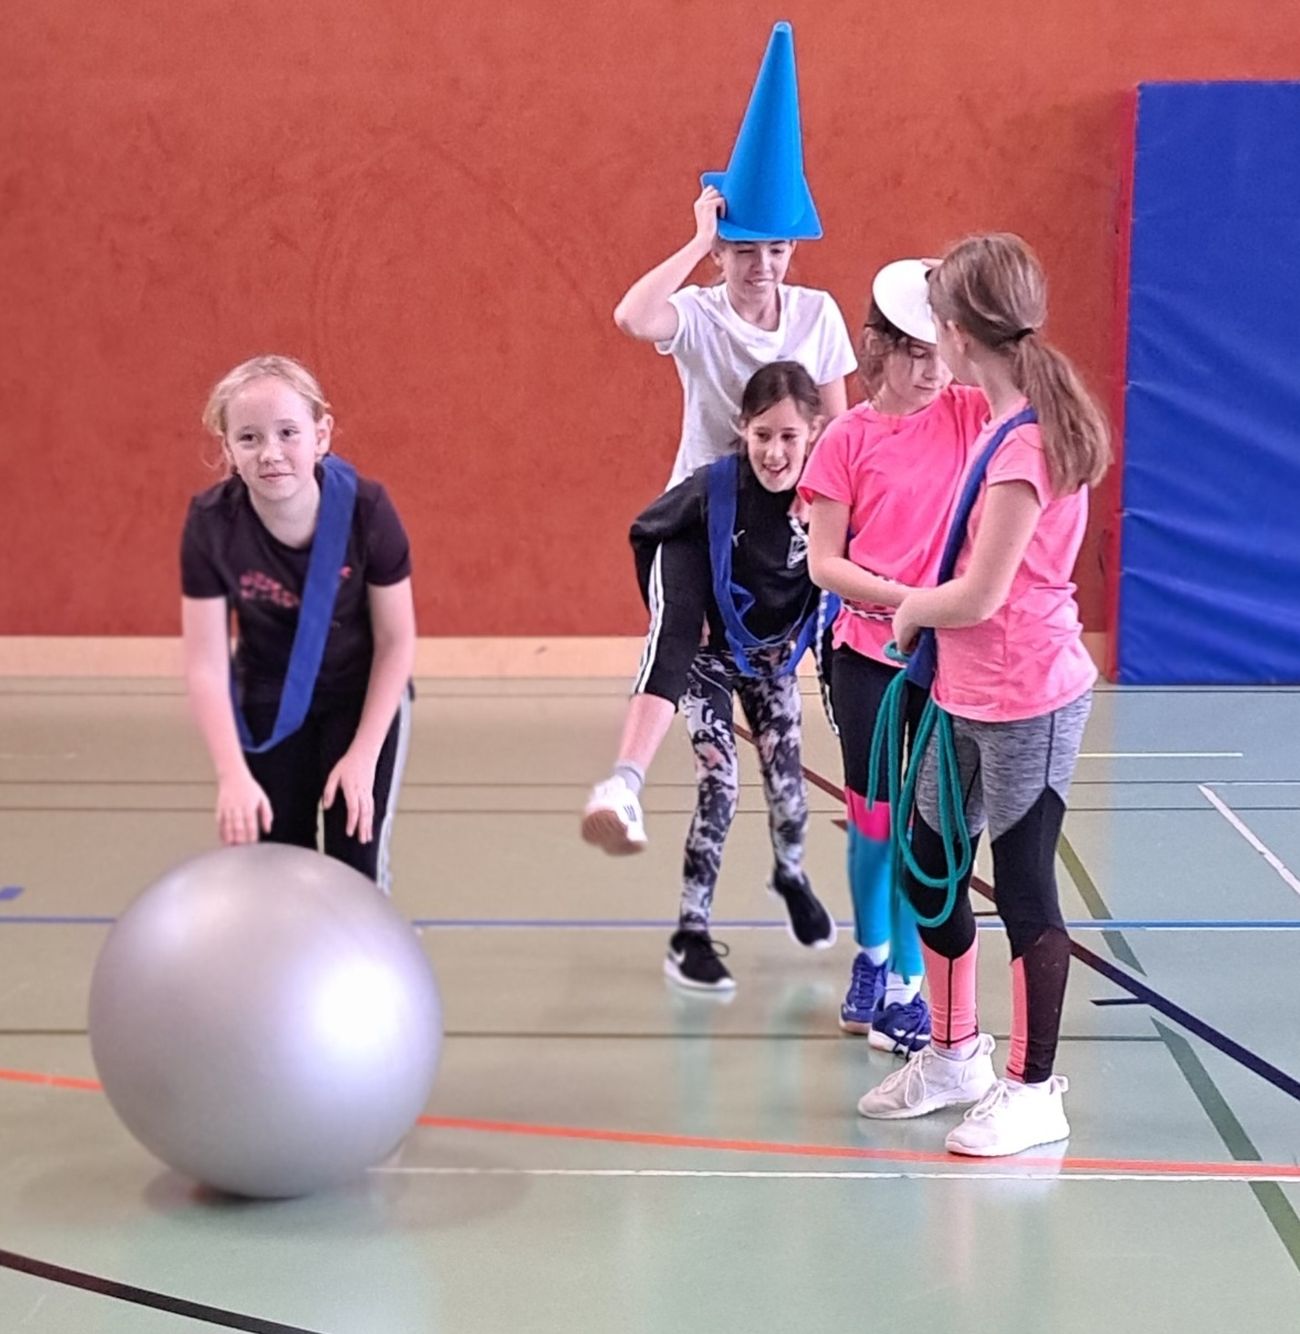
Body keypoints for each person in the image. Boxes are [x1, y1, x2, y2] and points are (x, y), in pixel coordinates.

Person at [856, 234, 1111, 1157]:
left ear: (958, 335)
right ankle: (955, 1053)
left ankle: (1034, 1090)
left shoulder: (1026, 444)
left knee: (1027, 888)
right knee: (929, 859)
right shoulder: (1001, 417)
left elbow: (982, 594)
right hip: (966, 690)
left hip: (1026, 694)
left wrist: (909, 610)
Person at [582, 361, 836, 991]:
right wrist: (675, 606)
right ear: (742, 428)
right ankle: (690, 934)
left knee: (789, 796)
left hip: (773, 663)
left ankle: (791, 874)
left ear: (814, 432)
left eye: (789, 437)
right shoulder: (714, 489)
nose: (775, 453)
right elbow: (646, 530)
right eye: (762, 436)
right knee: (719, 787)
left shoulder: (829, 496)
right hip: (710, 664)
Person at [801, 260, 990, 1053]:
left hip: (947, 663)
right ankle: (873, 958)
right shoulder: (846, 439)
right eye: (913, 352)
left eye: (941, 351)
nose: (931, 370)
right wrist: (901, 596)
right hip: (867, 657)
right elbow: (824, 563)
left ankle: (912, 987)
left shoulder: (972, 413)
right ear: (877, 347)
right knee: (874, 821)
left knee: (927, 828)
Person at [180, 355, 416, 890]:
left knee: (354, 857)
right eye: (249, 438)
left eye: (288, 432)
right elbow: (206, 663)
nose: (270, 453)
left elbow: (396, 640)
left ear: (321, 435)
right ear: (228, 449)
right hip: (268, 695)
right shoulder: (212, 524)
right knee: (277, 863)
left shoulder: (367, 510)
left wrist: (363, 756)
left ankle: (364, 931)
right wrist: (232, 775)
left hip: (359, 693)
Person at [614, 187, 857, 486]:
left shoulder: (817, 312)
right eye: (744, 250)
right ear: (718, 252)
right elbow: (632, 318)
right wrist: (700, 241)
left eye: (776, 250)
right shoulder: (699, 314)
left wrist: (811, 495)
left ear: (792, 247)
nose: (762, 265)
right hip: (702, 496)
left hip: (783, 490)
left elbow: (833, 425)